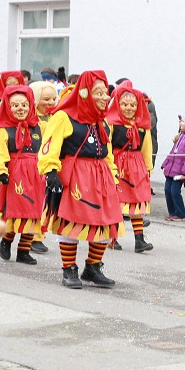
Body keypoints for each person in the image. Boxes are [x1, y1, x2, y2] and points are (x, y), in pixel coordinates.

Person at [38, 70, 123, 289]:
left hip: (100, 177)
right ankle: (69, 269)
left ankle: (93, 268)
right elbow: (49, 146)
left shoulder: (102, 122)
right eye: (99, 93)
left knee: (106, 223)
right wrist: (51, 172)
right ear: (84, 93)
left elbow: (108, 152)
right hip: (76, 176)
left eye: (105, 93)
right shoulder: (63, 117)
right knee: (71, 223)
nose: (105, 97)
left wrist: (112, 175)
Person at [0, 86, 43, 264]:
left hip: (35, 175)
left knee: (33, 212)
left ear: (31, 106)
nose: (20, 108)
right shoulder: (4, 131)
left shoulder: (39, 127)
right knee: (14, 212)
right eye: (15, 105)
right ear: (8, 108)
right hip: (15, 174)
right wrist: (1, 171)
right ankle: (7, 240)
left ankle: (24, 250)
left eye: (24, 105)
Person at [106, 82, 154, 253]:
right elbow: (107, 145)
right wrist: (109, 166)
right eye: (125, 104)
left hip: (136, 165)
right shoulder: (112, 123)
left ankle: (139, 240)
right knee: (117, 201)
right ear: (118, 104)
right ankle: (113, 238)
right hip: (118, 164)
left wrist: (148, 167)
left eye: (133, 105)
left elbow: (147, 148)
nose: (129, 108)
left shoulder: (142, 127)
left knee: (138, 200)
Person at [26, 80, 60, 254]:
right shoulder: (28, 120)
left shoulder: (57, 118)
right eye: (46, 99)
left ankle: (37, 236)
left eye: (54, 99)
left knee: (43, 201)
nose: (51, 103)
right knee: (29, 201)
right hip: (30, 166)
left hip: (48, 166)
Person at [161, 113, 185, 220]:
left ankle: (180, 213)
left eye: (183, 121)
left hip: (180, 170)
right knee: (167, 190)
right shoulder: (181, 136)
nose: (180, 123)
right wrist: (165, 163)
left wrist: (184, 172)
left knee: (174, 191)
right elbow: (172, 152)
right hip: (171, 168)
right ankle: (172, 212)